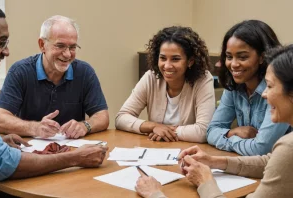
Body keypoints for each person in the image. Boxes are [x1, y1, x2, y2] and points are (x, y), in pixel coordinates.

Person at [0, 1, 108, 197]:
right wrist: (75, 158)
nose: (6, 51)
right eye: (1, 42)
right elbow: (0, 164)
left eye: (72, 47)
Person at [135, 44, 293, 198]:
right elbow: (270, 161)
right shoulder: (285, 149)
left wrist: (203, 181)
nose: (264, 94)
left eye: (270, 86)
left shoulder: (288, 147)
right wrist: (215, 161)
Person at [0, 15, 109, 139]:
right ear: (42, 45)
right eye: (60, 46)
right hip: (31, 152)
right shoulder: (20, 71)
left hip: (72, 150)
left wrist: (85, 125)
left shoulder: (84, 72)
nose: (67, 54)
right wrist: (35, 128)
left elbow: (102, 116)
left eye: (72, 47)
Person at [115, 26, 215, 143]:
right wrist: (153, 126)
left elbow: (203, 131)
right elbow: (121, 118)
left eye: (175, 59)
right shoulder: (151, 77)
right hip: (156, 149)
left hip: (189, 153)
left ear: (190, 61)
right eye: (162, 58)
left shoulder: (203, 80)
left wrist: (165, 132)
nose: (167, 66)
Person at [206, 20, 290, 156]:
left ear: (262, 57)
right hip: (248, 169)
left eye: (242, 57)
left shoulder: (278, 89)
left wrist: (227, 140)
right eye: (229, 57)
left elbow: (261, 149)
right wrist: (231, 132)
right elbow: (211, 131)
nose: (233, 64)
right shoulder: (234, 85)